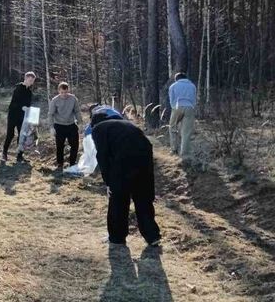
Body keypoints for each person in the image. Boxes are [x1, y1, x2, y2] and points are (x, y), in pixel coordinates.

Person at [91, 113, 161, 247]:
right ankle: (152, 236)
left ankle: (117, 237)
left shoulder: (98, 129)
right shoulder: (127, 124)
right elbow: (147, 143)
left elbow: (102, 156)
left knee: (118, 198)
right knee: (143, 197)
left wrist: (108, 182)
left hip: (123, 161)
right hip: (144, 157)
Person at [0, 71, 36, 162]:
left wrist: (31, 112)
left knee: (22, 135)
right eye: (30, 80)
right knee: (10, 134)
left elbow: (28, 104)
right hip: (13, 114)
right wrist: (22, 107)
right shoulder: (18, 88)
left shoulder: (29, 92)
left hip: (22, 116)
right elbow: (15, 102)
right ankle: (4, 153)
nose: (31, 82)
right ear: (25, 78)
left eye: (32, 81)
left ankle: (19, 155)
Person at [47, 82, 81, 170]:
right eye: (62, 92)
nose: (64, 94)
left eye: (66, 92)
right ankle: (60, 163)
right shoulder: (55, 100)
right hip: (59, 125)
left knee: (75, 145)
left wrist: (80, 122)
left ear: (68, 90)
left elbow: (77, 111)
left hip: (71, 124)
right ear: (59, 91)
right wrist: (51, 127)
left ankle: (72, 163)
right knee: (60, 145)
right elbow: (50, 114)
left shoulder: (73, 99)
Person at [168, 72, 197, 158]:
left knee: (172, 127)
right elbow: (194, 99)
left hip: (177, 107)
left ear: (177, 79)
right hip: (190, 107)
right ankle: (185, 153)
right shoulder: (192, 86)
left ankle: (174, 149)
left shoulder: (173, 86)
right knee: (186, 131)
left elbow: (171, 99)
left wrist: (174, 107)